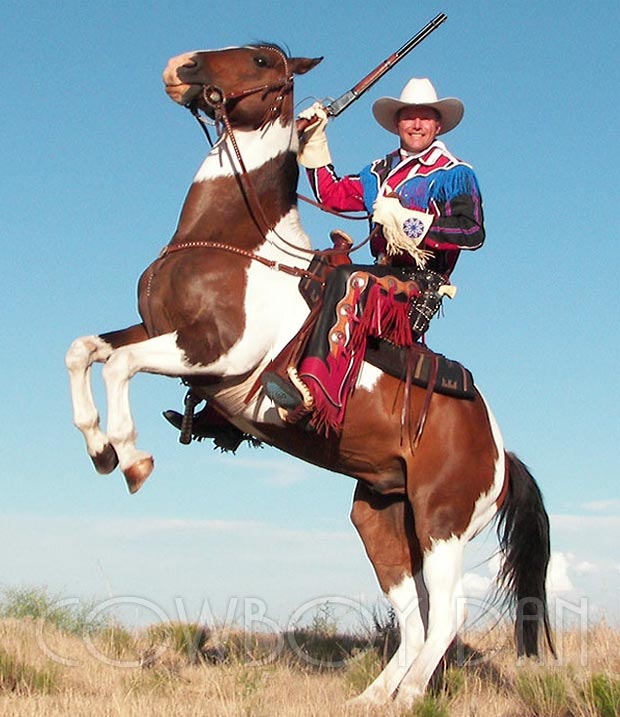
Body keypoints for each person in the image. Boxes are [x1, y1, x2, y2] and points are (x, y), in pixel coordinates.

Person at [261, 77, 485, 435]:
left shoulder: (454, 173)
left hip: (419, 285)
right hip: (380, 272)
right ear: (397, 123)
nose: (416, 125)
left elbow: (472, 232)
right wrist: (317, 142)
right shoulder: (379, 171)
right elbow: (332, 195)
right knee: (318, 269)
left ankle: (319, 393)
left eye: (424, 118)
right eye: (409, 117)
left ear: (437, 125)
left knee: (349, 279)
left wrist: (411, 224)